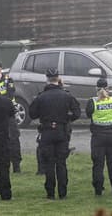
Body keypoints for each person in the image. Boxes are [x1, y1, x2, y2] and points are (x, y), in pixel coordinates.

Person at [29, 68, 81, 200]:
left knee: (49, 164)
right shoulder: (67, 95)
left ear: (46, 79)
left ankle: (50, 193)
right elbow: (77, 113)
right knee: (61, 163)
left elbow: (32, 114)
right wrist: (66, 119)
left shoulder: (41, 96)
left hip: (46, 131)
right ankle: (62, 192)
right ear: (58, 78)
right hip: (62, 131)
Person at [86, 77, 112, 197]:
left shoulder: (93, 101)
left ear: (96, 88)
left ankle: (98, 190)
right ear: (108, 87)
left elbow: (88, 114)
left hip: (98, 137)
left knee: (98, 165)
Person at [0, 60, 22, 172]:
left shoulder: (8, 80)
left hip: (8, 113)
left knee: (13, 139)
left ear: (0, 69)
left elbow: (10, 95)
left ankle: (16, 166)